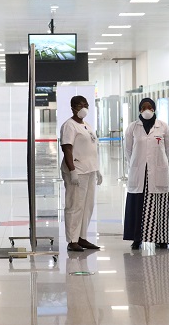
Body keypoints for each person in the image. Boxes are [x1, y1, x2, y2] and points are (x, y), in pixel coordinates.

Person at [123, 98, 169, 249]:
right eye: (144, 107)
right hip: (139, 172)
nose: (147, 109)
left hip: (157, 171)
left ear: (154, 109)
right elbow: (128, 150)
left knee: (159, 205)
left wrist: (160, 162)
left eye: (150, 107)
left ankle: (161, 238)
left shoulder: (163, 127)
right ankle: (137, 238)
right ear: (139, 110)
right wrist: (135, 164)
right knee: (138, 204)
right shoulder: (132, 127)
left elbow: (168, 148)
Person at [60, 95, 102, 252]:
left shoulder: (87, 125)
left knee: (87, 206)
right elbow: (67, 148)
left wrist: (97, 169)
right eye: (80, 105)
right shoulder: (69, 126)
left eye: (86, 105)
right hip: (77, 171)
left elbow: (91, 147)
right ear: (73, 107)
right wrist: (72, 171)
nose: (84, 108)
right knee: (75, 205)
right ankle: (72, 240)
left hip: (89, 170)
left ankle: (82, 237)